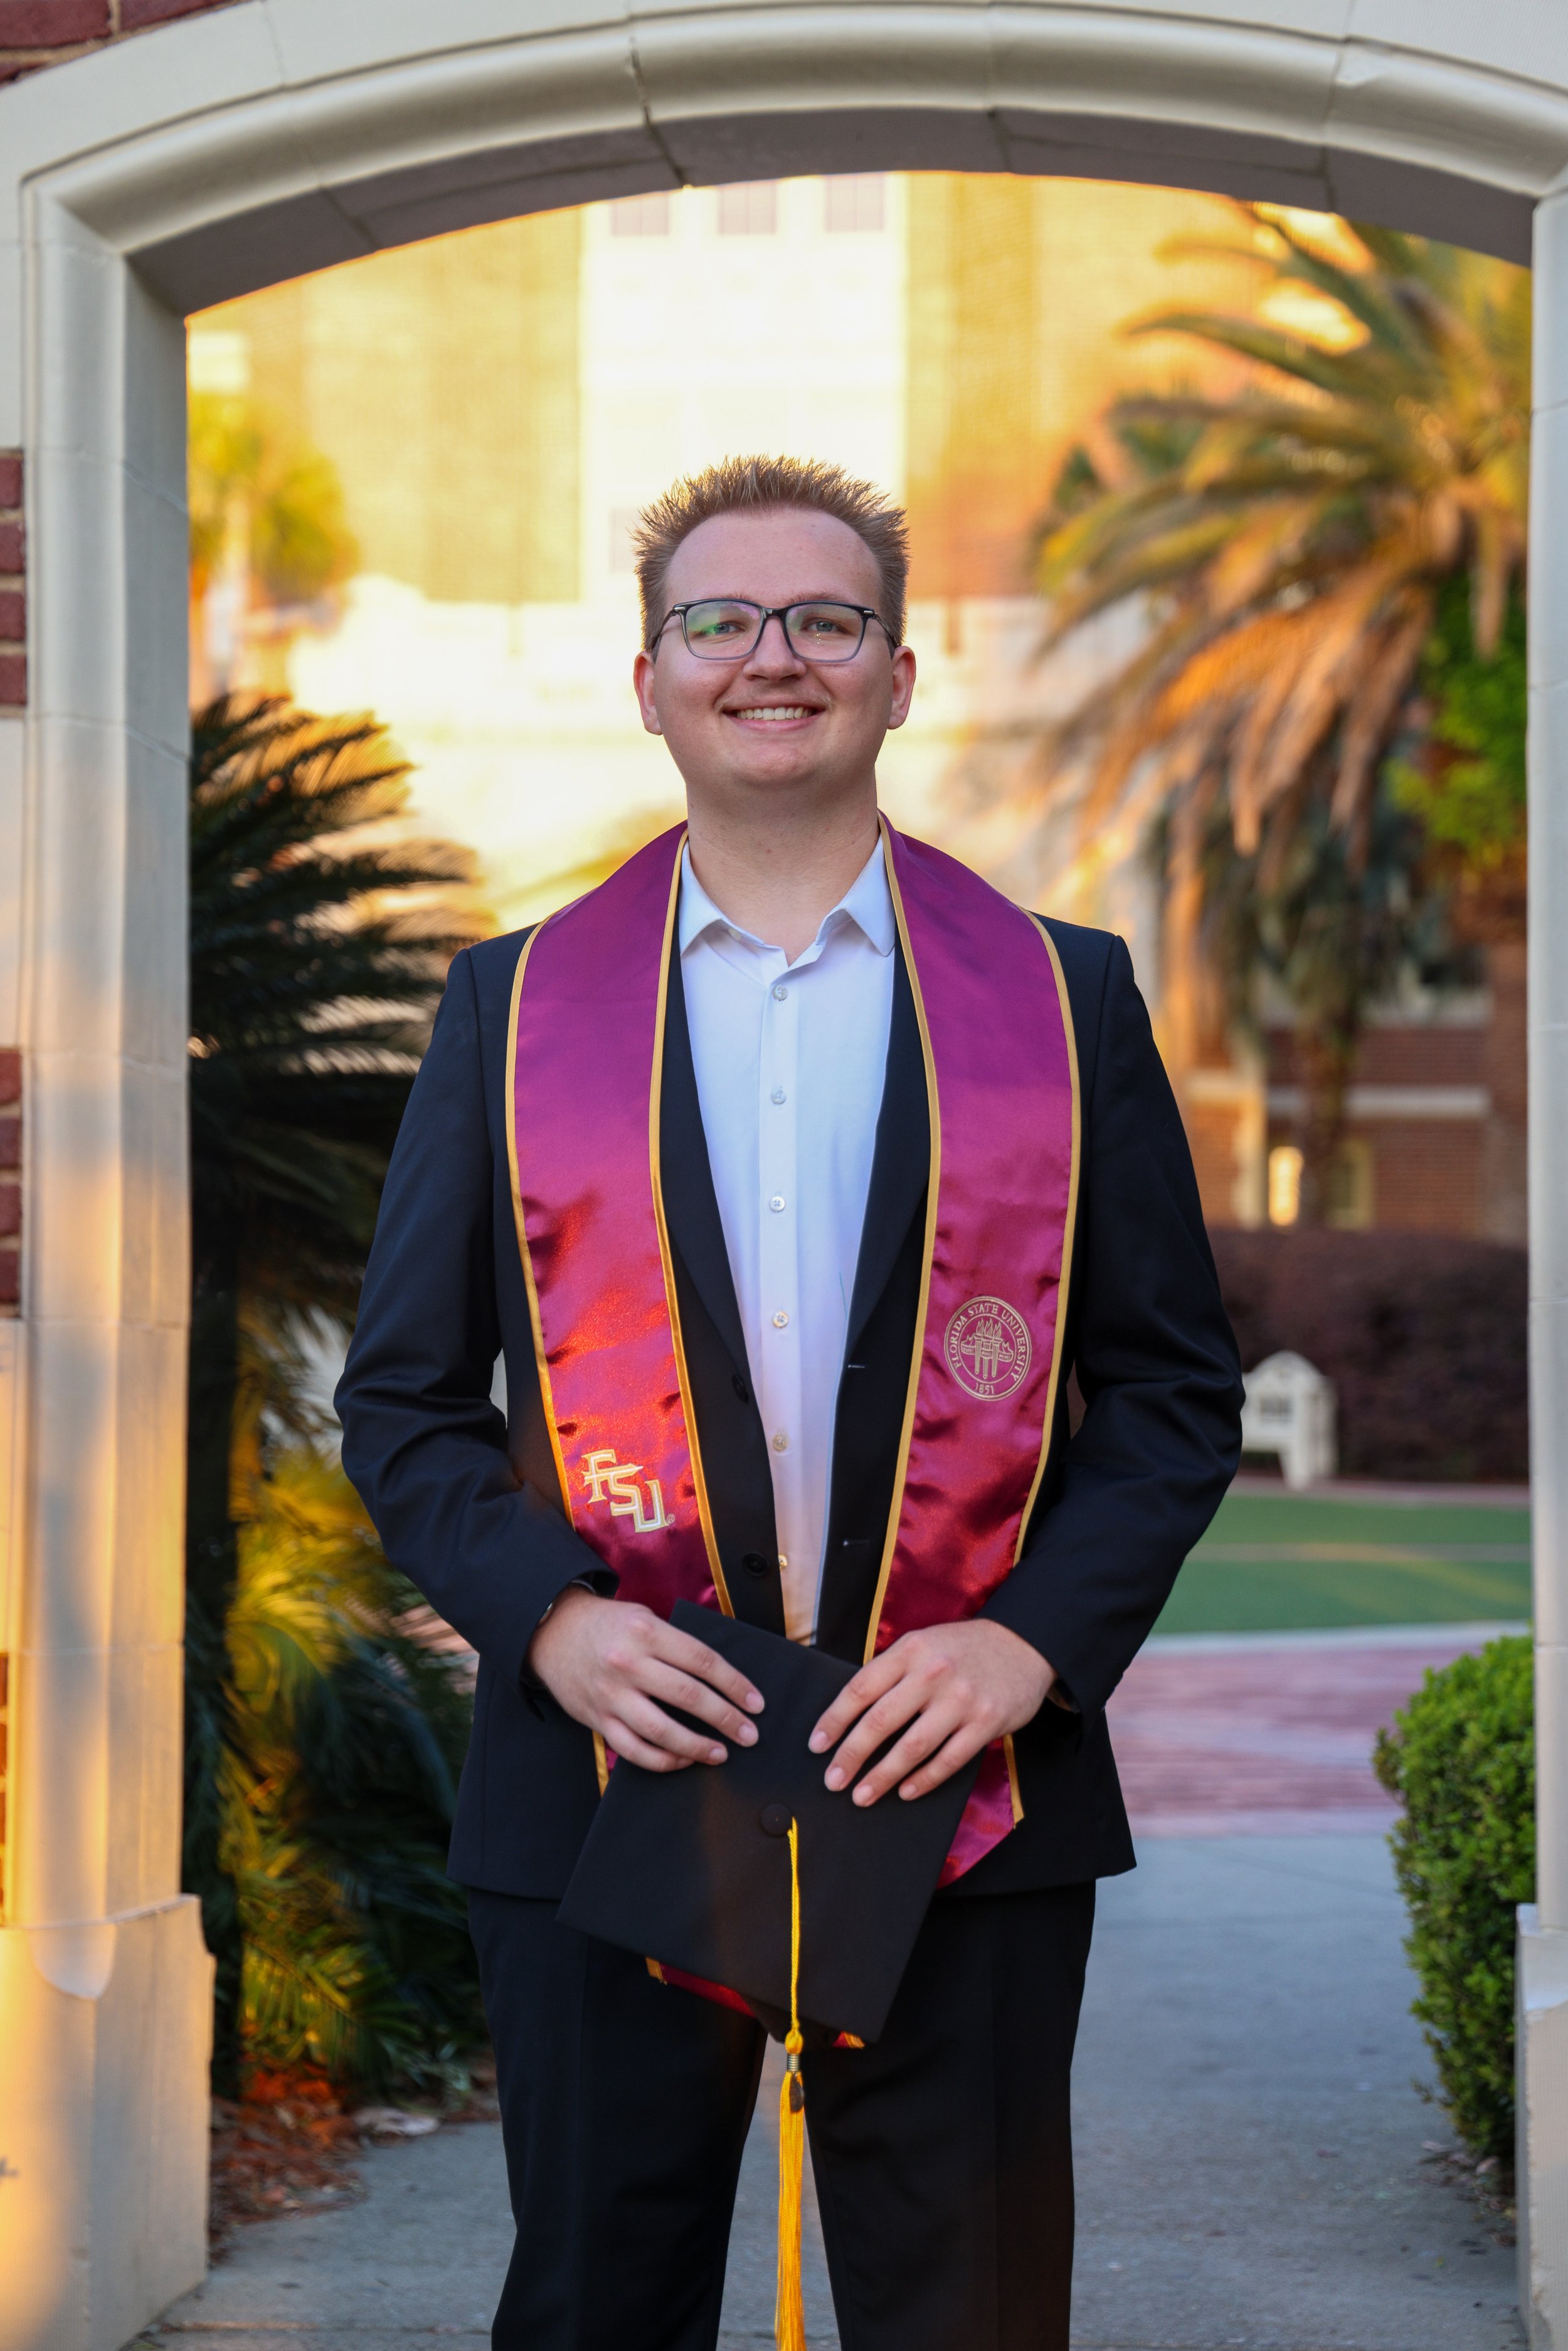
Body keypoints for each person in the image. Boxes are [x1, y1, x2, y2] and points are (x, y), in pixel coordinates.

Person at [336, 454, 1244, 2351]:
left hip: (958, 1775)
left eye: (825, 619)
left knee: (968, 2314)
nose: (775, 657)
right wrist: (554, 1626)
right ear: (649, 676)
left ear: (899, 673)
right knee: (599, 2302)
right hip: (612, 1772)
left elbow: (1167, 1392)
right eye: (719, 621)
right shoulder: (511, 1010)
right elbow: (408, 1400)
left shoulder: (1059, 1002)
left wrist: (1027, 1650)